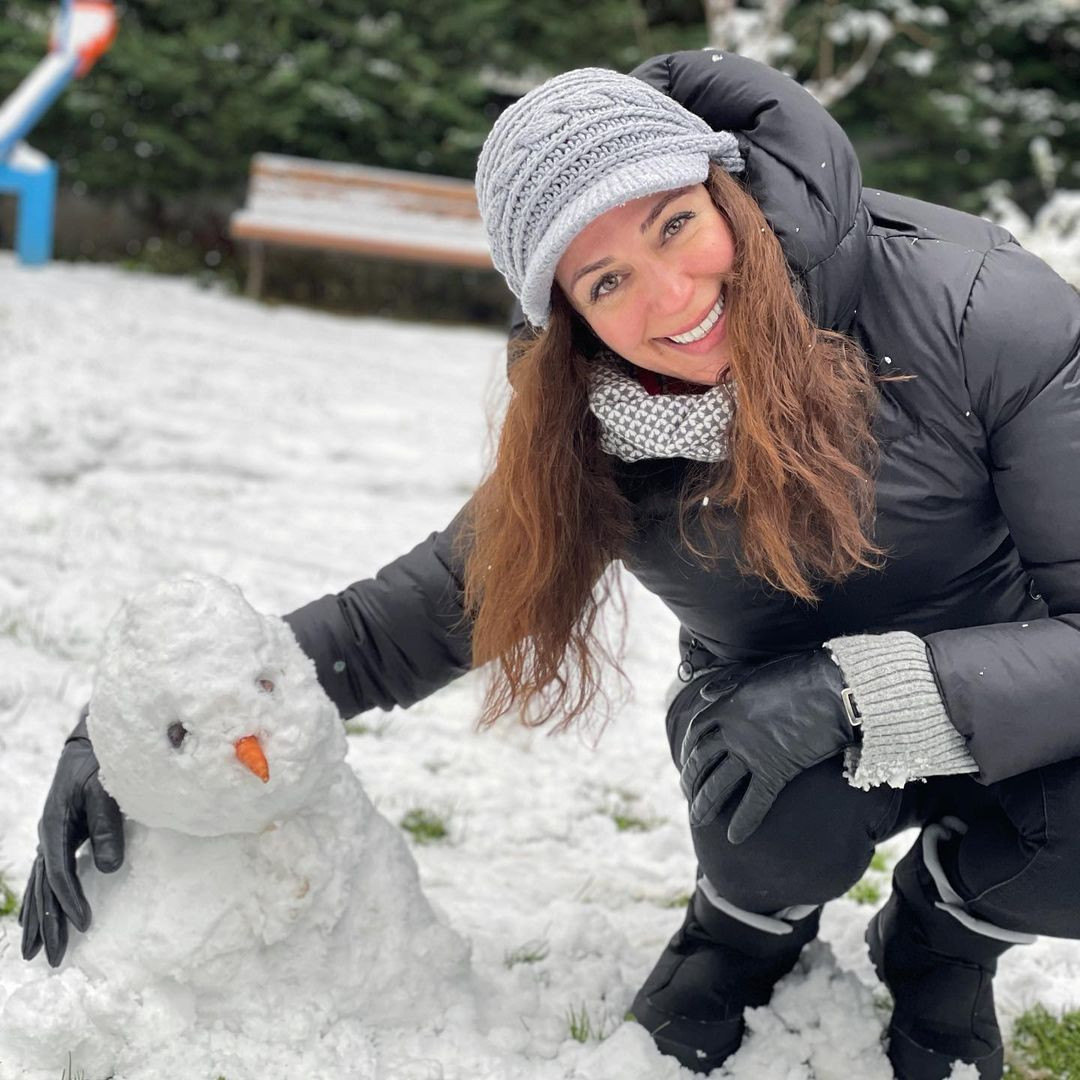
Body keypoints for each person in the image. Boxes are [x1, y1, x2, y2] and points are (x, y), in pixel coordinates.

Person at [19, 49, 1080, 1080]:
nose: (671, 299)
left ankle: (944, 936)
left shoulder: (979, 309)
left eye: (676, 224)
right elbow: (411, 618)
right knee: (767, 802)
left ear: (726, 186)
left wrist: (858, 691)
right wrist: (147, 733)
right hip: (771, 728)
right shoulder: (599, 425)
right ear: (568, 319)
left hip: (1031, 691)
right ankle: (745, 929)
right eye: (609, 280)